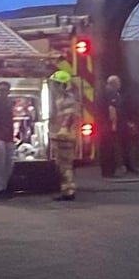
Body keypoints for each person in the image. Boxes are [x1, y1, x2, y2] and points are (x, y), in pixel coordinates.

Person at [97, 75, 138, 176]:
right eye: (118, 82)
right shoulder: (112, 93)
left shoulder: (102, 92)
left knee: (105, 148)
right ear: (114, 83)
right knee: (110, 148)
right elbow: (112, 109)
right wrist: (114, 125)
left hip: (103, 124)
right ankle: (110, 171)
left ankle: (106, 171)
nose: (120, 84)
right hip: (109, 125)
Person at [48, 70, 79, 201]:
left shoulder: (67, 99)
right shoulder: (62, 99)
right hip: (61, 137)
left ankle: (69, 191)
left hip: (65, 137)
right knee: (62, 165)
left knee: (66, 165)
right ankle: (66, 189)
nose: (54, 87)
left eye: (56, 84)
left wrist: (64, 129)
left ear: (62, 85)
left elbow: (70, 116)